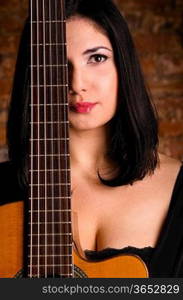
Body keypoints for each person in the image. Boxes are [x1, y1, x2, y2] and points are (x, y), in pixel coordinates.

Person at [1, 0, 183, 277]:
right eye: (57, 64)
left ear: (123, 65)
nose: (77, 84)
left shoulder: (179, 188)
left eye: (96, 58)